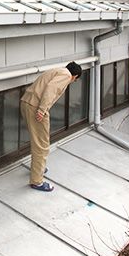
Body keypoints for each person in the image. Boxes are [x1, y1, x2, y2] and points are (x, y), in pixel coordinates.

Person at [20, 61, 82, 191]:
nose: (72, 81)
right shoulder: (66, 75)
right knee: (42, 145)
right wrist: (42, 110)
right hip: (36, 107)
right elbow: (51, 89)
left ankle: (38, 168)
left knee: (37, 141)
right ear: (75, 76)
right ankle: (37, 181)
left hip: (27, 102)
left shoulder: (57, 70)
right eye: (75, 80)